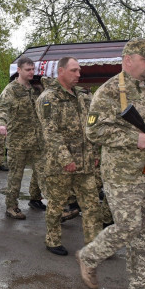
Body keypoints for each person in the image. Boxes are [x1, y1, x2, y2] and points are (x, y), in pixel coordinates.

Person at [77, 38, 145, 289]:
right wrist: (133, 139)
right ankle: (89, 256)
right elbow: (93, 131)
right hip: (122, 175)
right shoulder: (109, 91)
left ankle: (140, 285)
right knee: (128, 226)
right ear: (128, 60)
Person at [36, 58, 101, 256]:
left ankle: (93, 245)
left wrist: (94, 152)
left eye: (79, 70)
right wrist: (66, 159)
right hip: (60, 165)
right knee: (57, 205)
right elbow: (51, 132)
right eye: (74, 70)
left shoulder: (82, 96)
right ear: (61, 71)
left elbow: (91, 126)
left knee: (92, 205)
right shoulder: (48, 98)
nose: (78, 74)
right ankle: (53, 240)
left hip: (85, 162)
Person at [0, 57, 46, 219]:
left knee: (42, 171)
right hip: (18, 141)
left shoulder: (36, 89)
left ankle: (36, 198)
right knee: (15, 176)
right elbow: (1, 108)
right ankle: (11, 206)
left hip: (37, 140)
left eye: (33, 69)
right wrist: (1, 123)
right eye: (28, 70)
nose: (31, 72)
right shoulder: (11, 89)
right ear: (19, 70)